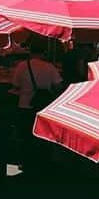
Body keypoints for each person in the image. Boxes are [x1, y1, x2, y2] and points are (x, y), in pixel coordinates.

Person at [9, 40, 63, 168]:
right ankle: (42, 162)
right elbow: (58, 85)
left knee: (26, 136)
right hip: (44, 107)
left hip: (25, 105)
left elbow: (15, 85)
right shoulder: (50, 67)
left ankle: (27, 161)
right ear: (43, 53)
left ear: (30, 52)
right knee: (43, 136)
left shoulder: (22, 66)